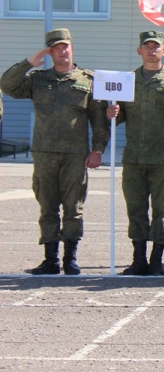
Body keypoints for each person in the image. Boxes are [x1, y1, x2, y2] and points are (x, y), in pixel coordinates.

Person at [1, 29, 109, 275]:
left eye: (65, 46)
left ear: (72, 47)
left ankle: (70, 258)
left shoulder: (88, 80)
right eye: (56, 47)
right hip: (45, 154)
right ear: (50, 52)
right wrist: (29, 62)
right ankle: (50, 259)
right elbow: (6, 85)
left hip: (75, 156)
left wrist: (98, 150)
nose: (62, 51)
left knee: (74, 207)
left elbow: (99, 122)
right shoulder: (38, 79)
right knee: (47, 206)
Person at [105, 31, 164, 276]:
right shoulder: (127, 80)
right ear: (139, 51)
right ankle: (138, 259)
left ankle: (156, 261)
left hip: (163, 160)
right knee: (135, 210)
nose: (152, 50)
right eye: (147, 46)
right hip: (134, 159)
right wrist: (112, 113)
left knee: (161, 211)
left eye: (157, 47)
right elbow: (119, 118)